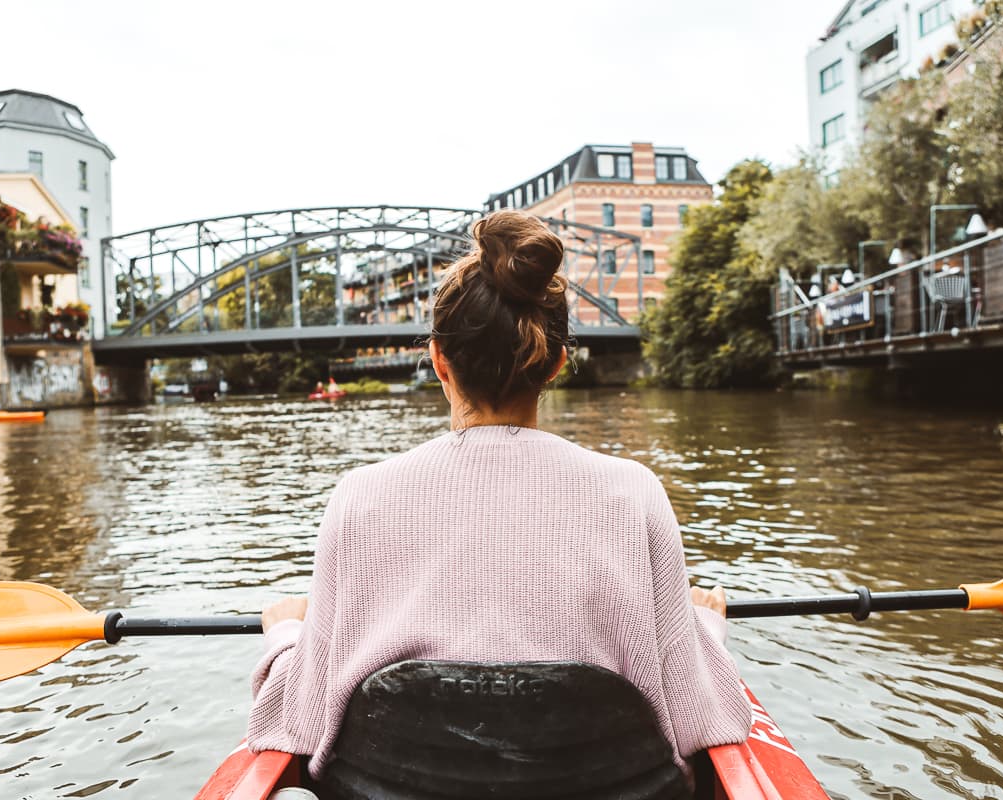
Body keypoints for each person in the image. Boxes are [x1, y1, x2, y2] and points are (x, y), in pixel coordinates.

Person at [248, 209, 751, 788]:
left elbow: (299, 721)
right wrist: (703, 629)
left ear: (438, 360)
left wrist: (288, 635)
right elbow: (701, 714)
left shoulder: (358, 496)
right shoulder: (635, 492)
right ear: (558, 364)